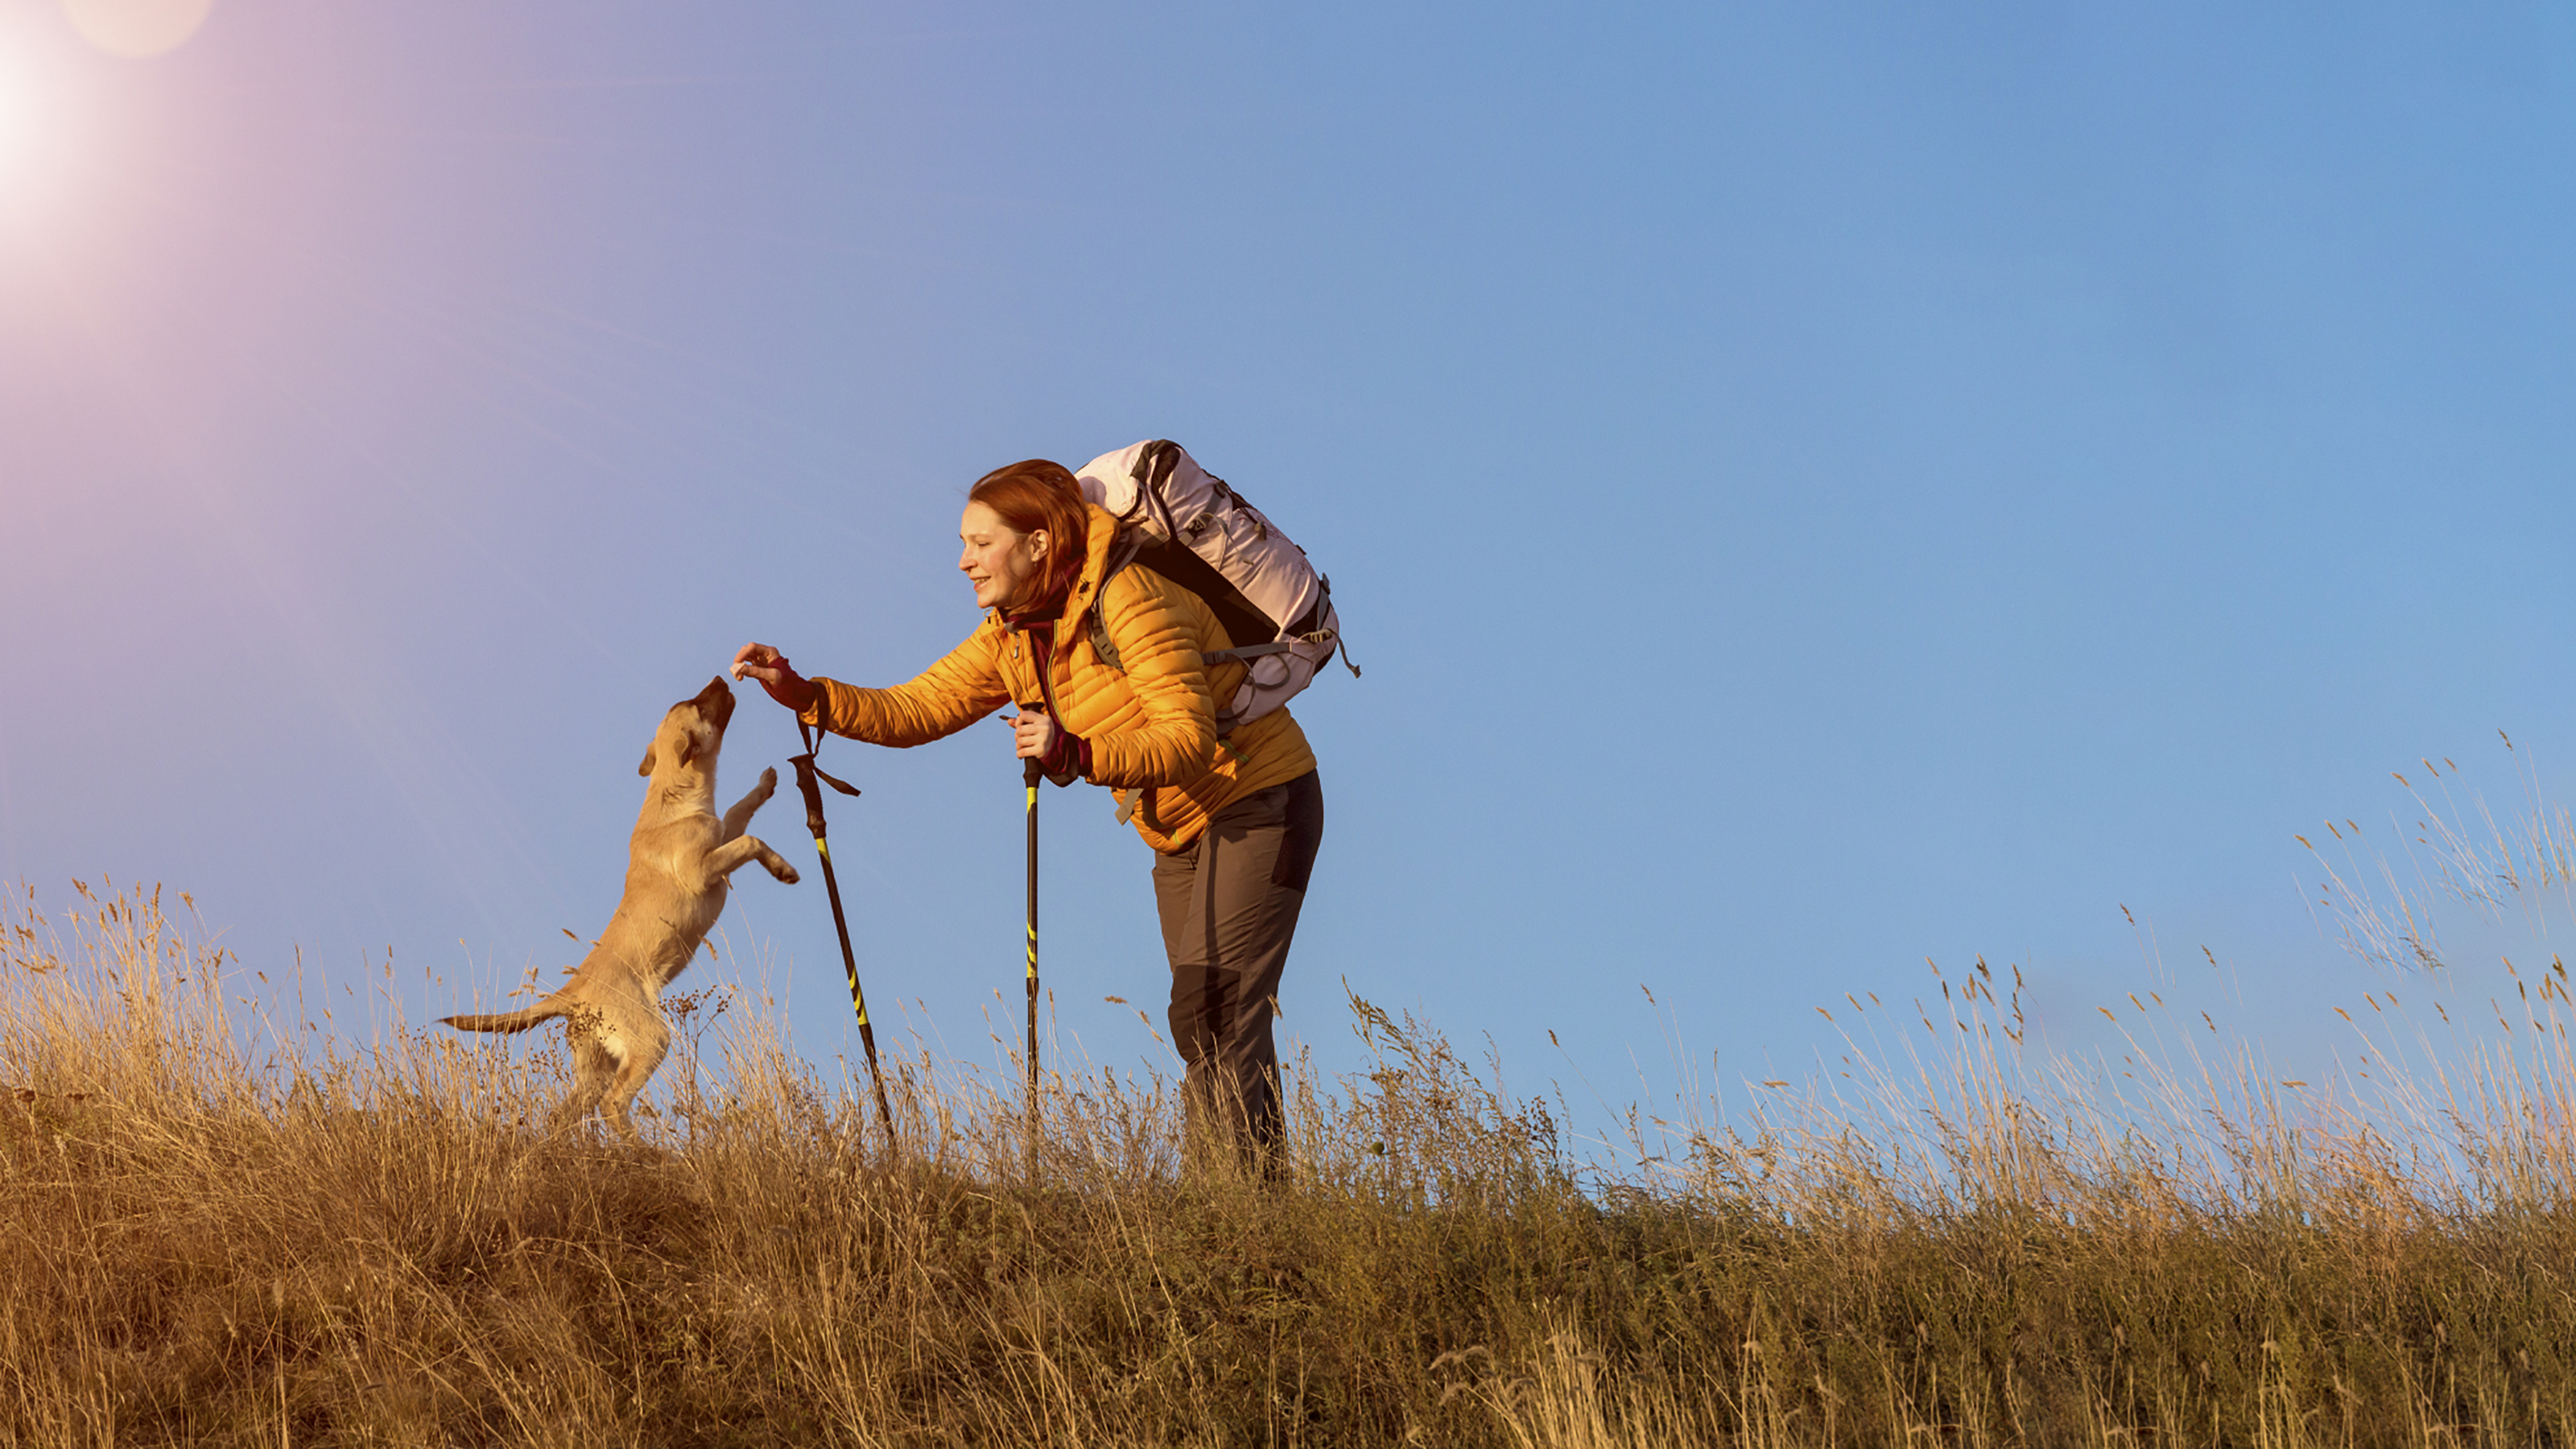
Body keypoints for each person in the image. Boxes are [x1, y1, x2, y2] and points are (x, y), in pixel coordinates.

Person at [732, 458, 1323, 1174]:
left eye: (981, 543)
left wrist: (1075, 752)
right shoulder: (1016, 634)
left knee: (1220, 1007)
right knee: (1200, 1015)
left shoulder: (1130, 597)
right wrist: (802, 692)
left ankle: (1248, 1208)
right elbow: (918, 707)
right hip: (1177, 829)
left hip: (1260, 799)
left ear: (1038, 543)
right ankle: (1230, 1198)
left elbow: (1188, 738)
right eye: (964, 542)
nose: (964, 561)